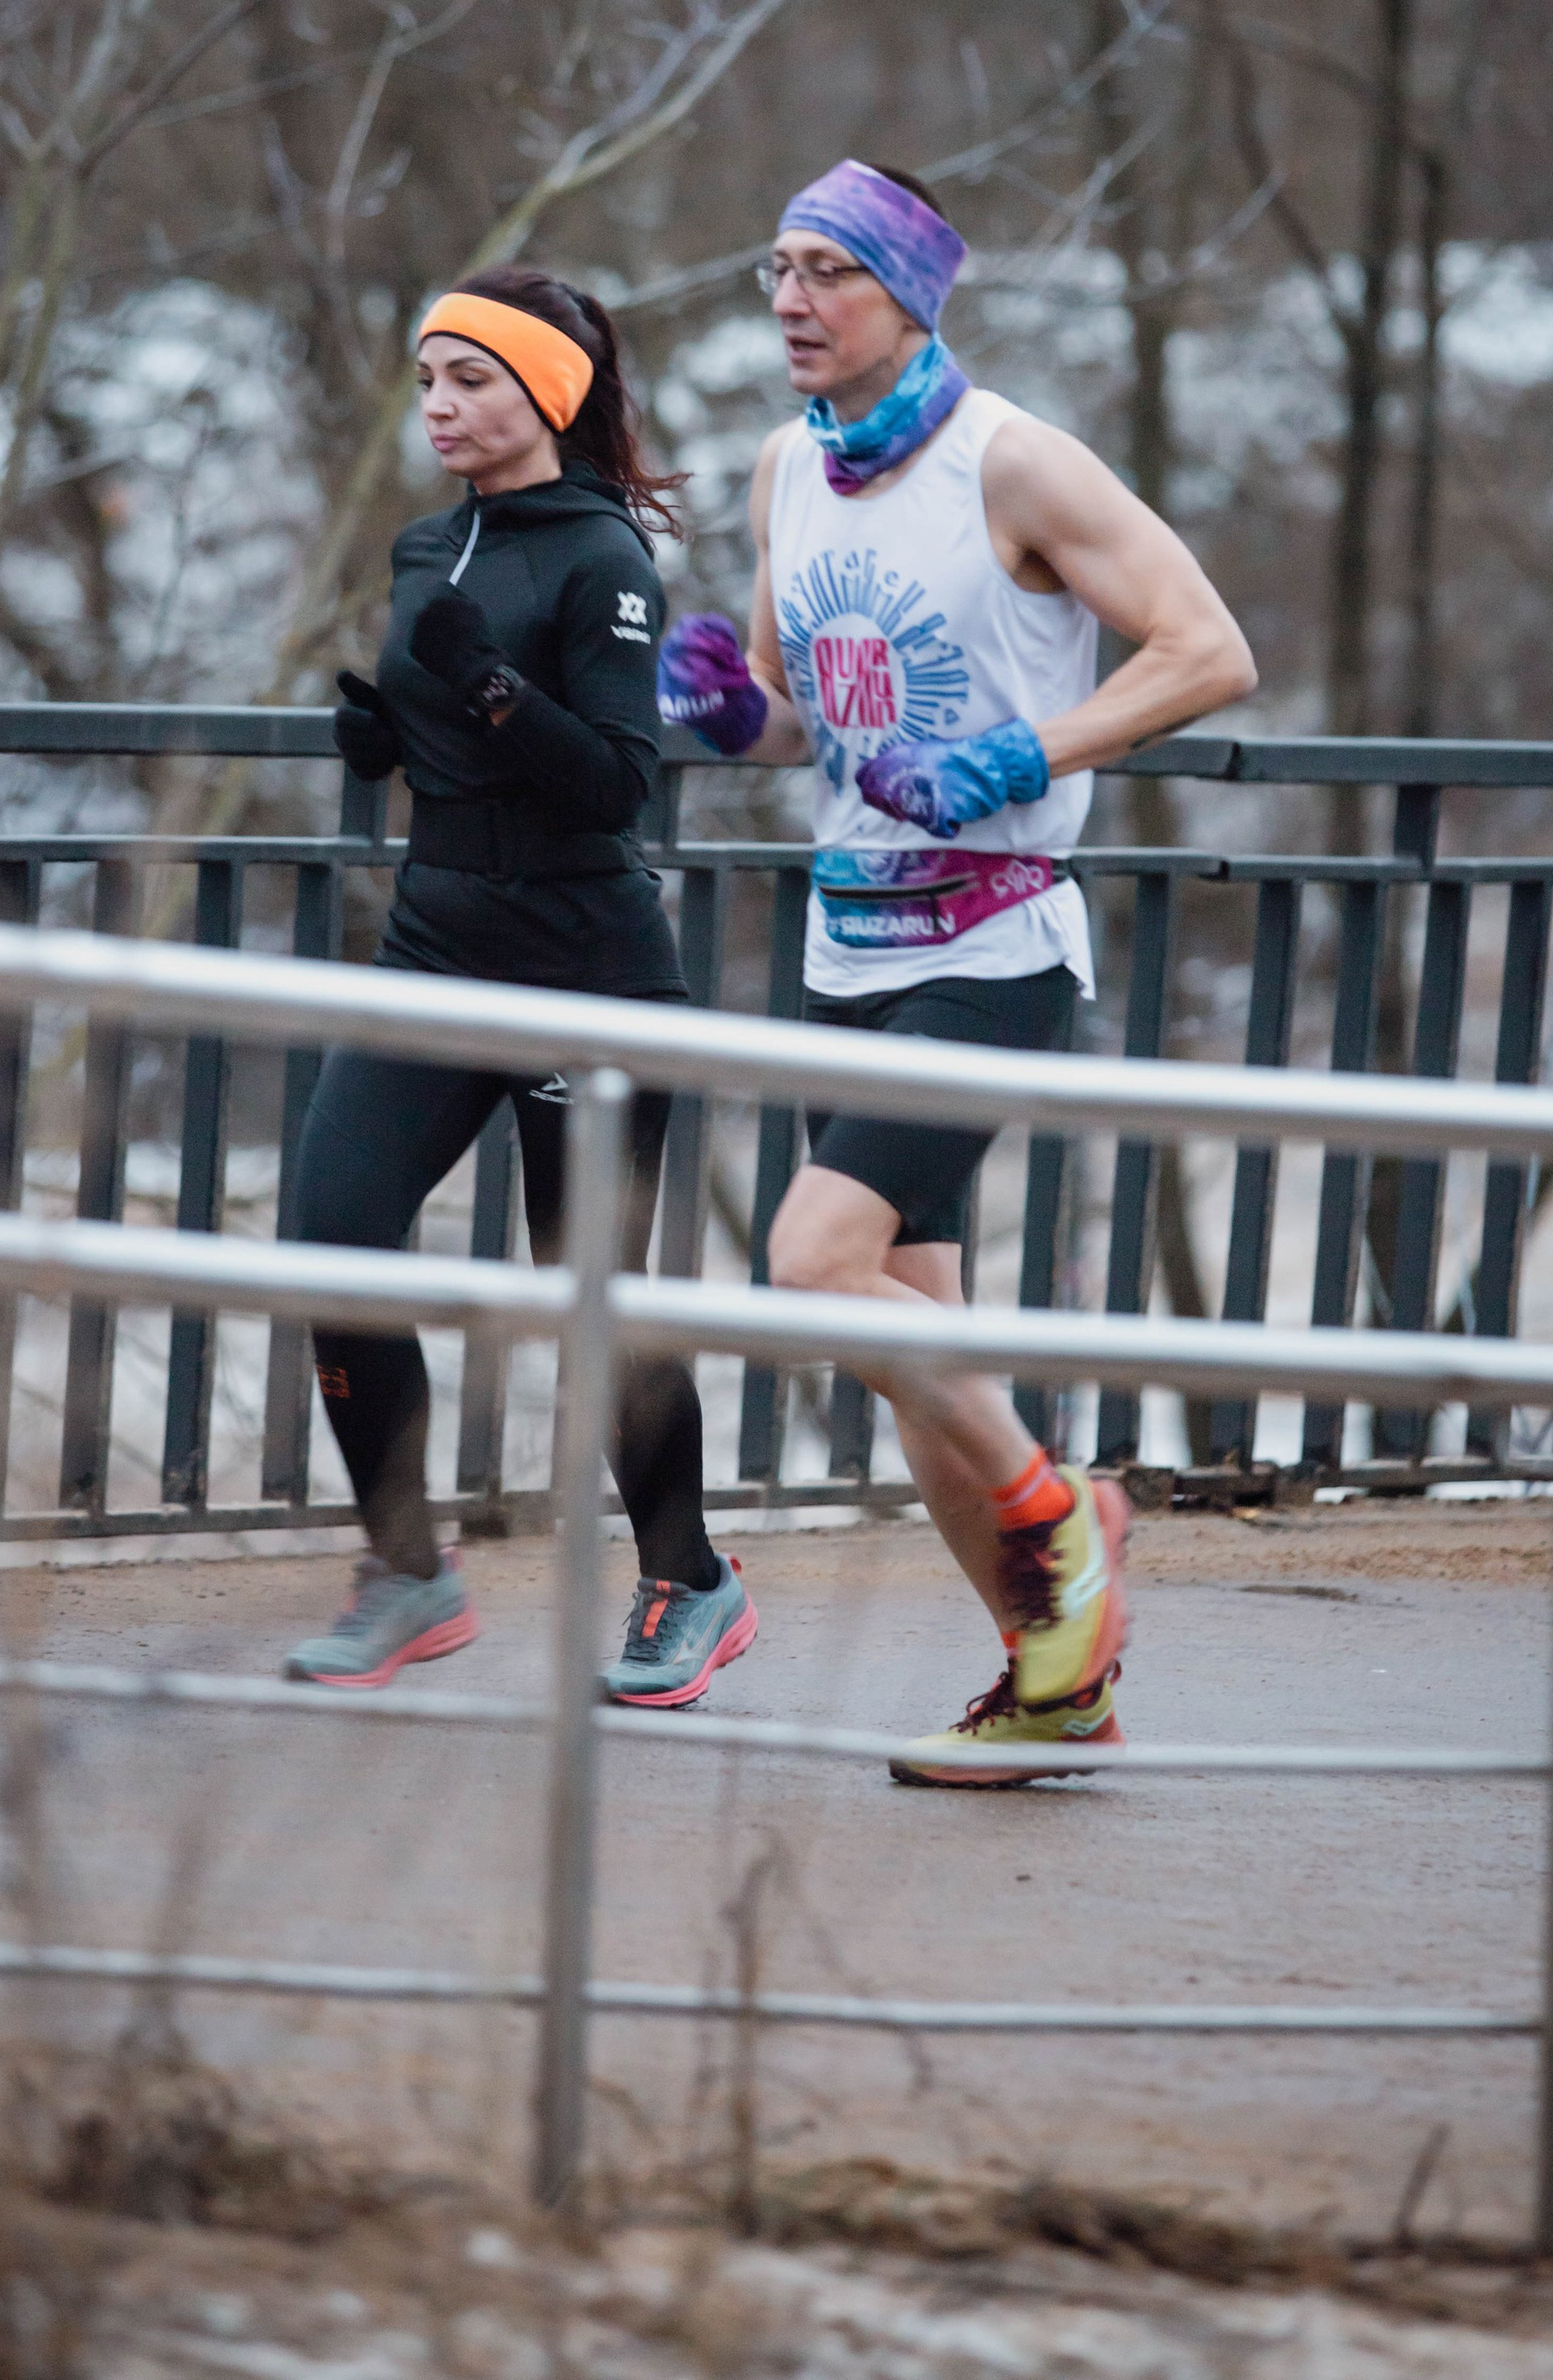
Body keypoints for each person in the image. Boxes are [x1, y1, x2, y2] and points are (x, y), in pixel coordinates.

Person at [659, 161, 1253, 1781]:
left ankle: (1072, 1532)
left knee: (808, 1257)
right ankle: (1051, 1677)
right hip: (851, 941)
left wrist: (1022, 755)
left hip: (993, 946)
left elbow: (1208, 648)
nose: (790, 299)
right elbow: (801, 717)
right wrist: (733, 719)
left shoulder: (1017, 464)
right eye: (774, 266)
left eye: (828, 270)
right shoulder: (791, 464)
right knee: (919, 1368)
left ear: (911, 294)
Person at [283, 265, 755, 1709]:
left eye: (471, 379)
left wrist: (487, 691)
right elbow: (460, 723)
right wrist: (398, 740)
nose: (440, 405)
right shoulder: (429, 546)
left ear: (546, 390)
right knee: (335, 1229)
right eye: (427, 379)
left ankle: (692, 1577)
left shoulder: (606, 559)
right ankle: (411, 1569)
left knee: (588, 1297)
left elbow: (617, 780)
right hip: (438, 945)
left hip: (582, 971)